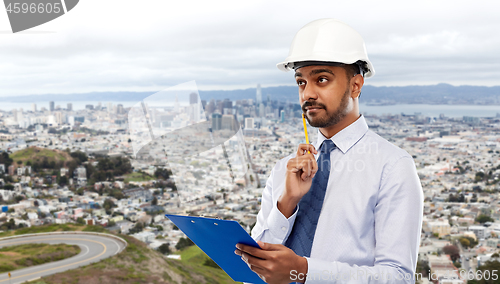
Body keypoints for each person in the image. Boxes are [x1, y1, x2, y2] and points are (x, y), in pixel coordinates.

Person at [235, 19, 423, 284]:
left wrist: (303, 270)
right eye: (301, 82)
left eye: (321, 80)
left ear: (356, 85)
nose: (307, 94)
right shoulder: (283, 170)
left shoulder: (392, 166)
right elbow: (252, 271)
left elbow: (398, 278)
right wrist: (287, 201)